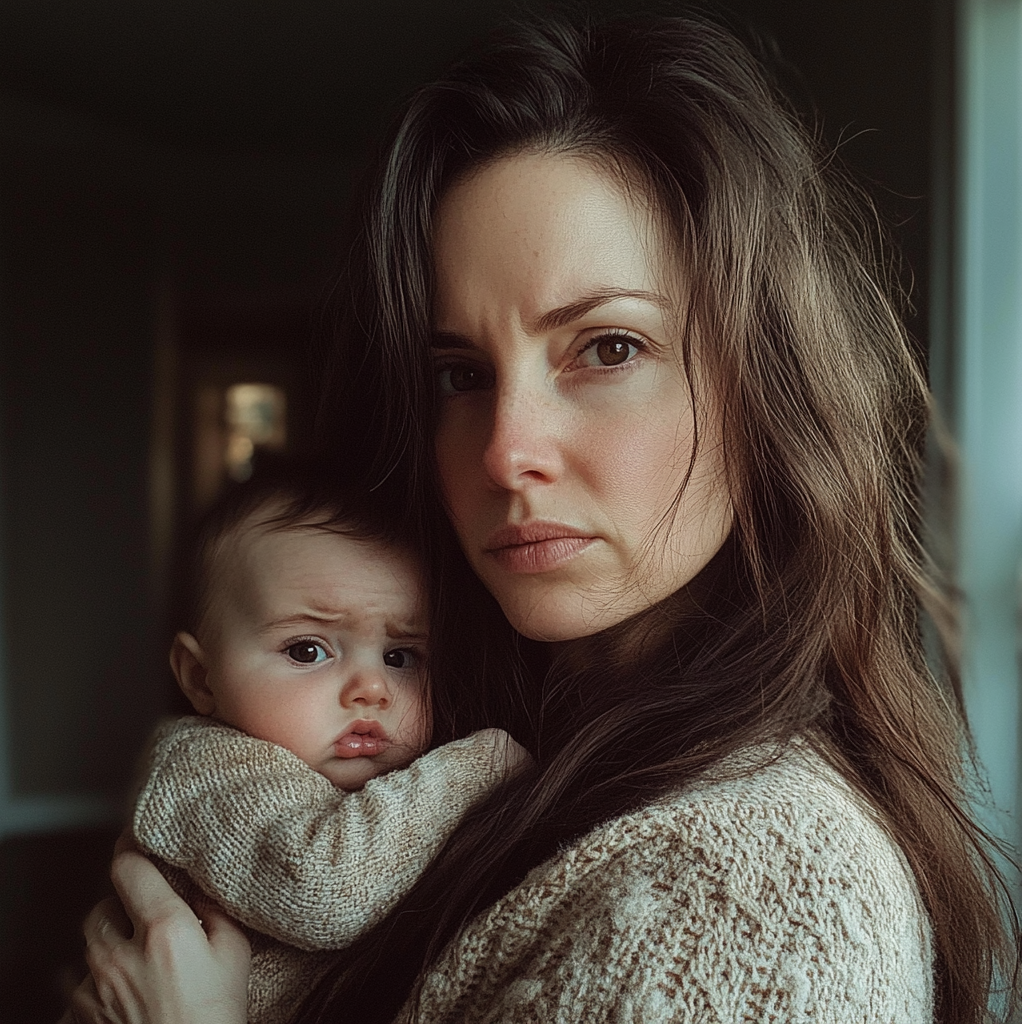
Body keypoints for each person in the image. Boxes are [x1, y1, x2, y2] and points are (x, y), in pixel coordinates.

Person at [67, 10, 1019, 1024]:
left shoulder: (751, 891)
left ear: (762, 385)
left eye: (606, 349)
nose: (503, 447)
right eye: (461, 373)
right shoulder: (483, 740)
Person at [121, 472, 528, 1024]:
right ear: (201, 678)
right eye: (308, 650)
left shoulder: (385, 784)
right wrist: (482, 766)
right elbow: (320, 891)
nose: (372, 689)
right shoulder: (202, 769)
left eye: (401, 656)